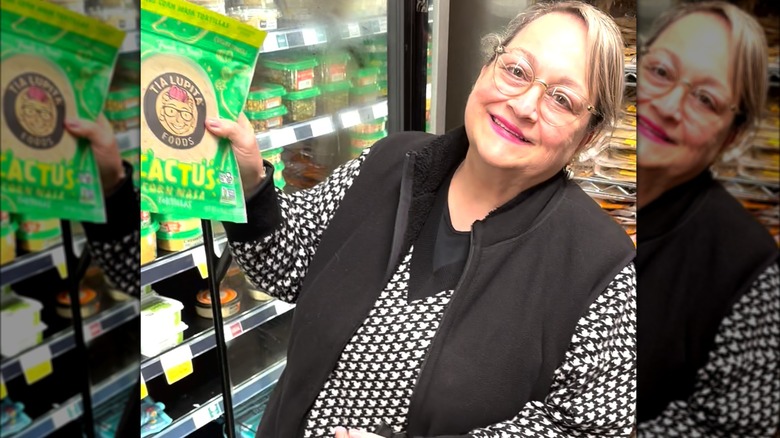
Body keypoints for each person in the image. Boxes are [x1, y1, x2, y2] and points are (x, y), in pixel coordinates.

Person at [209, 1, 636, 437]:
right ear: (487, 66)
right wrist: (250, 182)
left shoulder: (598, 269)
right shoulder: (394, 162)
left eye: (562, 99)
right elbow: (289, 264)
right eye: (517, 71)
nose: (525, 104)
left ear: (590, 134)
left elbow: (588, 429)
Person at [634, 2, 779, 436]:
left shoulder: (750, 268)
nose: (669, 105)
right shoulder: (561, 183)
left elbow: (728, 428)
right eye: (660, 72)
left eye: (705, 99)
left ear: (732, 134)